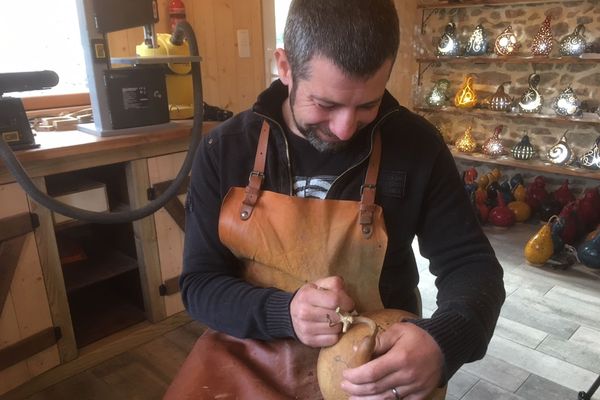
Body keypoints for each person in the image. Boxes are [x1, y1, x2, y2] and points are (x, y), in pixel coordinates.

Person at [164, 0, 505, 399]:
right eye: (325, 104)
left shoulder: (416, 147)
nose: (345, 129)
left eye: (367, 105)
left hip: (372, 366)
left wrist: (445, 340)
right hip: (249, 350)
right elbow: (200, 285)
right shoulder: (225, 149)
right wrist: (284, 312)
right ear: (286, 67)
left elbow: (473, 267)